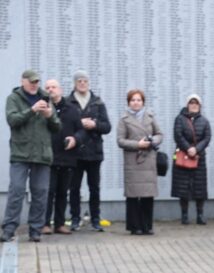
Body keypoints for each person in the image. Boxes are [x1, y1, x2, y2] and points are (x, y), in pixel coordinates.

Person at [1, 70, 60, 244]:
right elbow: (12, 120)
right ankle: (9, 229)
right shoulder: (14, 98)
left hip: (42, 154)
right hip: (21, 153)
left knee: (40, 193)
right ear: (23, 81)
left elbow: (57, 127)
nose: (34, 85)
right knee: (16, 190)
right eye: (31, 81)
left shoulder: (46, 98)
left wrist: (50, 116)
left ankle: (35, 230)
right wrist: (32, 110)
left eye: (36, 82)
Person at [68, 72, 111, 232]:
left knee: (94, 188)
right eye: (79, 81)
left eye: (85, 80)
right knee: (74, 188)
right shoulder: (68, 102)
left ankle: (95, 219)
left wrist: (95, 125)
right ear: (75, 83)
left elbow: (107, 127)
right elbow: (64, 126)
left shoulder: (97, 102)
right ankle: (75, 218)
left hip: (94, 152)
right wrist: (79, 123)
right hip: (75, 153)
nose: (82, 83)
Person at [116, 89, 162, 236]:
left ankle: (147, 226)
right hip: (133, 161)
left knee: (148, 195)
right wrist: (138, 144)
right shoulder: (124, 119)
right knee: (133, 195)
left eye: (139, 100)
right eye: (133, 100)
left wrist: (153, 141)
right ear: (128, 102)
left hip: (148, 160)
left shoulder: (150, 116)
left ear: (143, 102)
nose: (136, 103)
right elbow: (120, 140)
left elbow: (159, 134)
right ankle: (135, 226)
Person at [43, 79, 83, 235]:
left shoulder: (72, 109)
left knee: (62, 192)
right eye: (47, 87)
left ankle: (59, 224)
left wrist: (75, 139)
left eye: (53, 87)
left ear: (60, 90)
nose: (50, 90)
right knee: (48, 192)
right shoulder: (43, 108)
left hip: (67, 157)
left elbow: (81, 131)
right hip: (48, 157)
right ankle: (45, 223)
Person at [171, 94, 211, 225]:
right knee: (183, 187)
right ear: (187, 104)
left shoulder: (204, 121)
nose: (194, 105)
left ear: (200, 105)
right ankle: (184, 215)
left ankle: (200, 215)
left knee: (200, 188)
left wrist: (196, 149)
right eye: (191, 103)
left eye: (196, 103)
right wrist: (188, 148)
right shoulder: (180, 119)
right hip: (183, 157)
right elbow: (178, 135)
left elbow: (207, 137)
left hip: (199, 158)